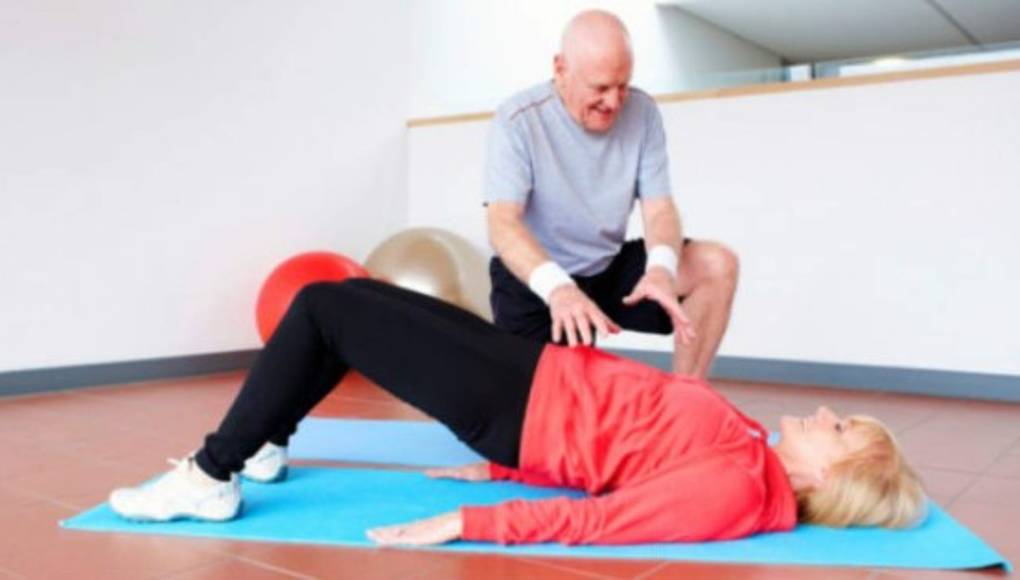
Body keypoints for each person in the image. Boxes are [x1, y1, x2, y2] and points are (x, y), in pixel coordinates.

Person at [109, 279, 926, 546]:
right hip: (534, 379)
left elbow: (608, 520)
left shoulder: (743, 493)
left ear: (830, 471)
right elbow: (624, 453)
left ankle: (212, 475)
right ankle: (266, 445)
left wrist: (470, 517)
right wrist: (500, 467)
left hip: (517, 401)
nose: (826, 413)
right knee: (346, 306)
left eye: (841, 427)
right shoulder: (751, 449)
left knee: (326, 307)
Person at [486, 10, 738, 377]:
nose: (615, 102)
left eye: (623, 85)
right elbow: (502, 225)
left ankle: (688, 399)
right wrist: (559, 289)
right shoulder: (517, 120)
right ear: (561, 69)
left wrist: (661, 270)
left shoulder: (643, 111)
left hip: (606, 269)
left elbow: (659, 210)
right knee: (540, 419)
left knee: (716, 264)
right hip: (538, 281)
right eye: (601, 88)